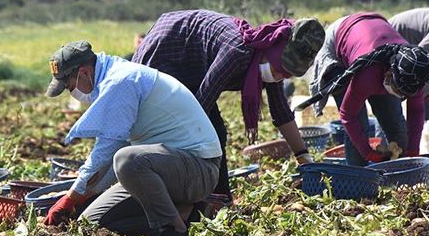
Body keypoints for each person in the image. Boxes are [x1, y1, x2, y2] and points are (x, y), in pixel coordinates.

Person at [42, 41, 222, 236]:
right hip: (166, 169)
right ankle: (192, 214)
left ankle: (174, 229)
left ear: (84, 72)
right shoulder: (111, 81)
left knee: (127, 160)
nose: (72, 93)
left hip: (198, 170)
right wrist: (85, 194)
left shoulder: (121, 81)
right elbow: (113, 155)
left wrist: (72, 196)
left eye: (70, 86)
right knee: (91, 224)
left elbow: (109, 151)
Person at [132, 10, 325, 197]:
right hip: (171, 47)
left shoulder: (269, 61)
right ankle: (179, 187)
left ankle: (218, 195)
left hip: (195, 63)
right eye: (279, 69)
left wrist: (303, 158)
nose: (280, 76)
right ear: (273, 50)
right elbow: (202, 103)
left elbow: (281, 111)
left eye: (287, 73)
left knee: (213, 131)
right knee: (197, 129)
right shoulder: (237, 53)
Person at [302, 12, 429, 166]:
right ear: (390, 73)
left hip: (369, 35)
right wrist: (368, 152)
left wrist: (413, 152)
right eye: (397, 90)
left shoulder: (414, 74)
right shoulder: (368, 76)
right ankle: (357, 177)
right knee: (360, 127)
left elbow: (416, 112)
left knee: (397, 128)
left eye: (402, 94)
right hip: (338, 43)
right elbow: (348, 115)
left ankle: (396, 175)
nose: (398, 95)